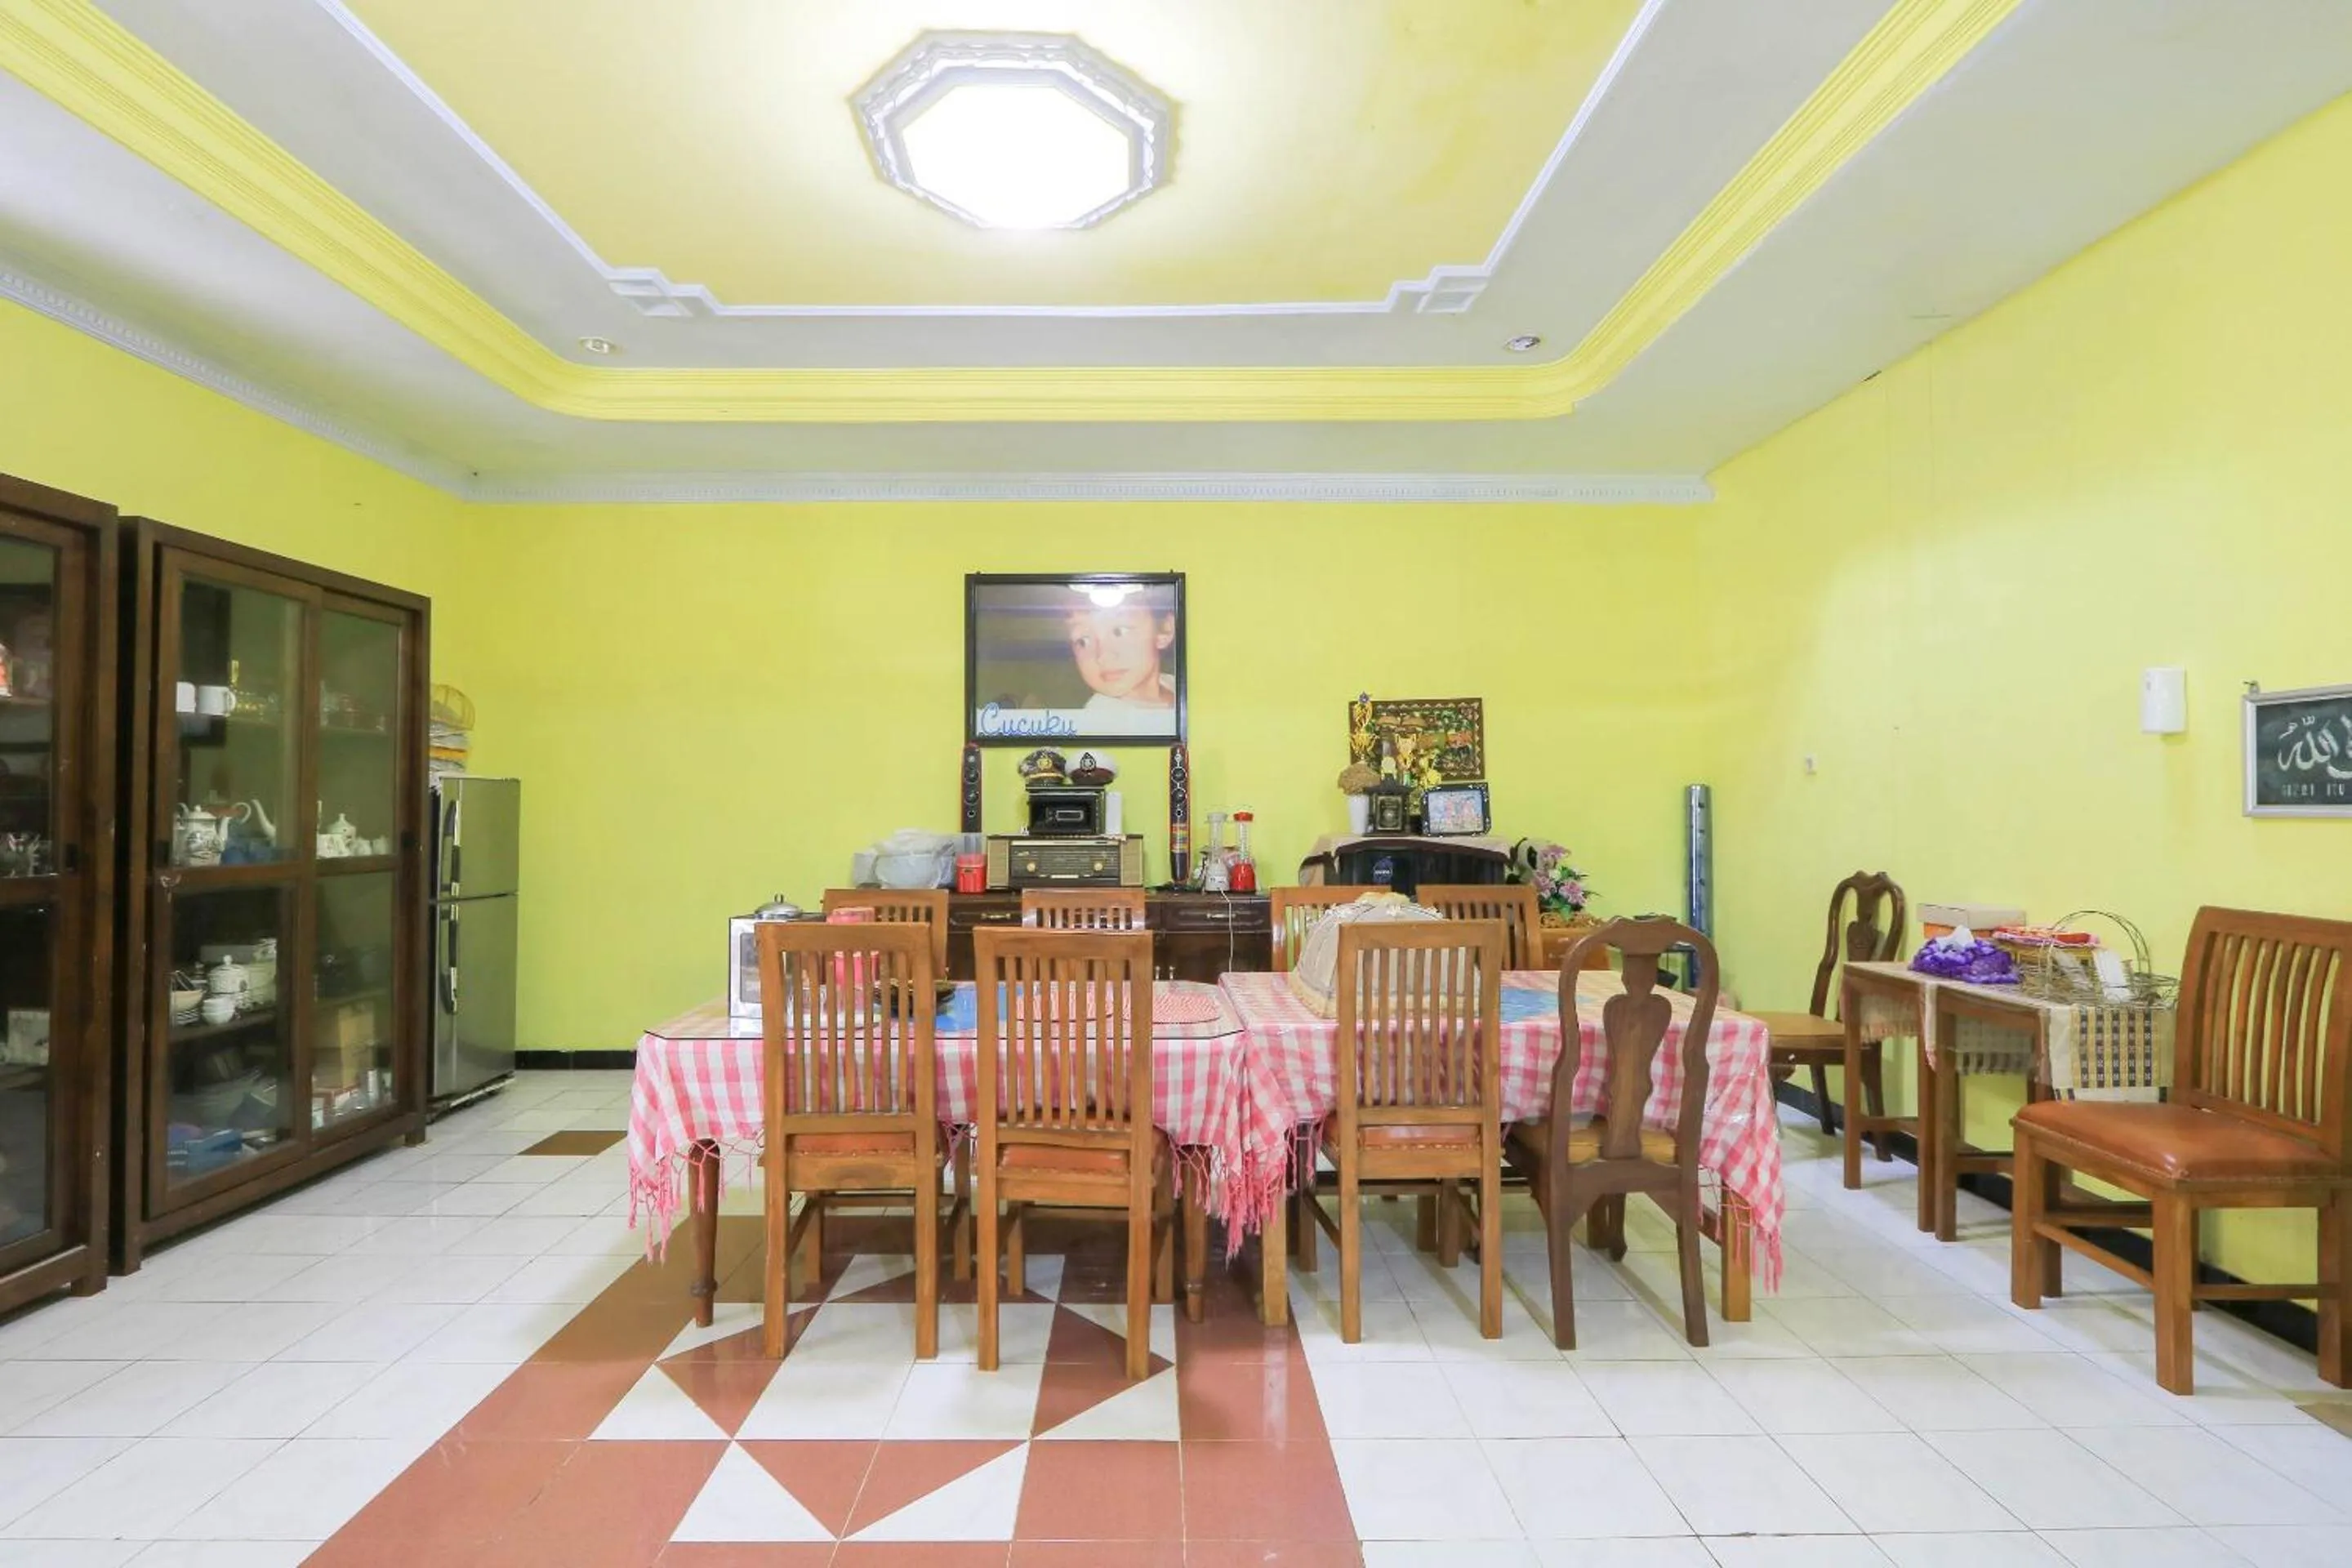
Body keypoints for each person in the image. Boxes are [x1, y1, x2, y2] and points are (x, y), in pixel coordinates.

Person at [1065, 589, 1177, 728]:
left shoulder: (1173, 684)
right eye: (1083, 641)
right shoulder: (1101, 721)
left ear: (1165, 630)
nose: (1103, 657)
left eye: (1119, 632)